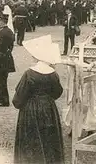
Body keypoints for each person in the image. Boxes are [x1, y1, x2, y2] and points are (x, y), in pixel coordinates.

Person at [13, 35, 64, 164]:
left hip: (31, 110)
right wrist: (47, 99)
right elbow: (58, 92)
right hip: (48, 108)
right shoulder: (53, 73)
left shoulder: (29, 73)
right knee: (49, 139)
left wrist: (20, 104)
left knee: (31, 139)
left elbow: (19, 97)